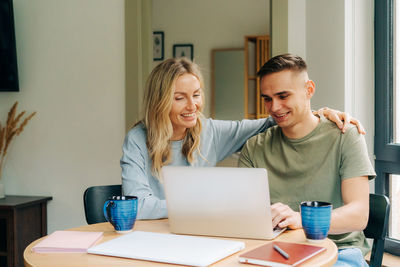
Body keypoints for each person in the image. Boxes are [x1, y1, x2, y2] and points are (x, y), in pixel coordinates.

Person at [121, 57, 365, 220]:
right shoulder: (137, 139)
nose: (192, 105)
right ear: (160, 100)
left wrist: (318, 113)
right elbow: (137, 206)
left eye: (196, 95)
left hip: (193, 234)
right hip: (151, 234)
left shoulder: (209, 131)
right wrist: (202, 207)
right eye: (179, 98)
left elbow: (277, 118)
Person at [238, 54, 376, 267]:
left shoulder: (345, 136)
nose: (274, 107)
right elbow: (243, 213)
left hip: (339, 253)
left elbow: (358, 214)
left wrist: (301, 219)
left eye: (283, 96)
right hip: (274, 252)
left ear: (309, 90)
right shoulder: (254, 147)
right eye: (267, 98)